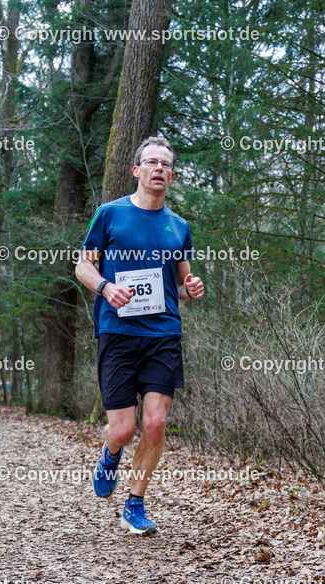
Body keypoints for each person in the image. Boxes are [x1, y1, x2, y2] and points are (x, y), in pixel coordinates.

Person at [75, 136, 205, 534]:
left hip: (163, 334)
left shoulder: (178, 226)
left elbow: (180, 287)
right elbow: (83, 267)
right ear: (137, 170)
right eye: (152, 162)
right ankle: (111, 452)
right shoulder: (109, 215)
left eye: (166, 164)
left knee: (156, 423)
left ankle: (135, 503)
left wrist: (192, 289)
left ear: (171, 176)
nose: (159, 169)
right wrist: (105, 288)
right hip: (118, 331)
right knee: (123, 429)